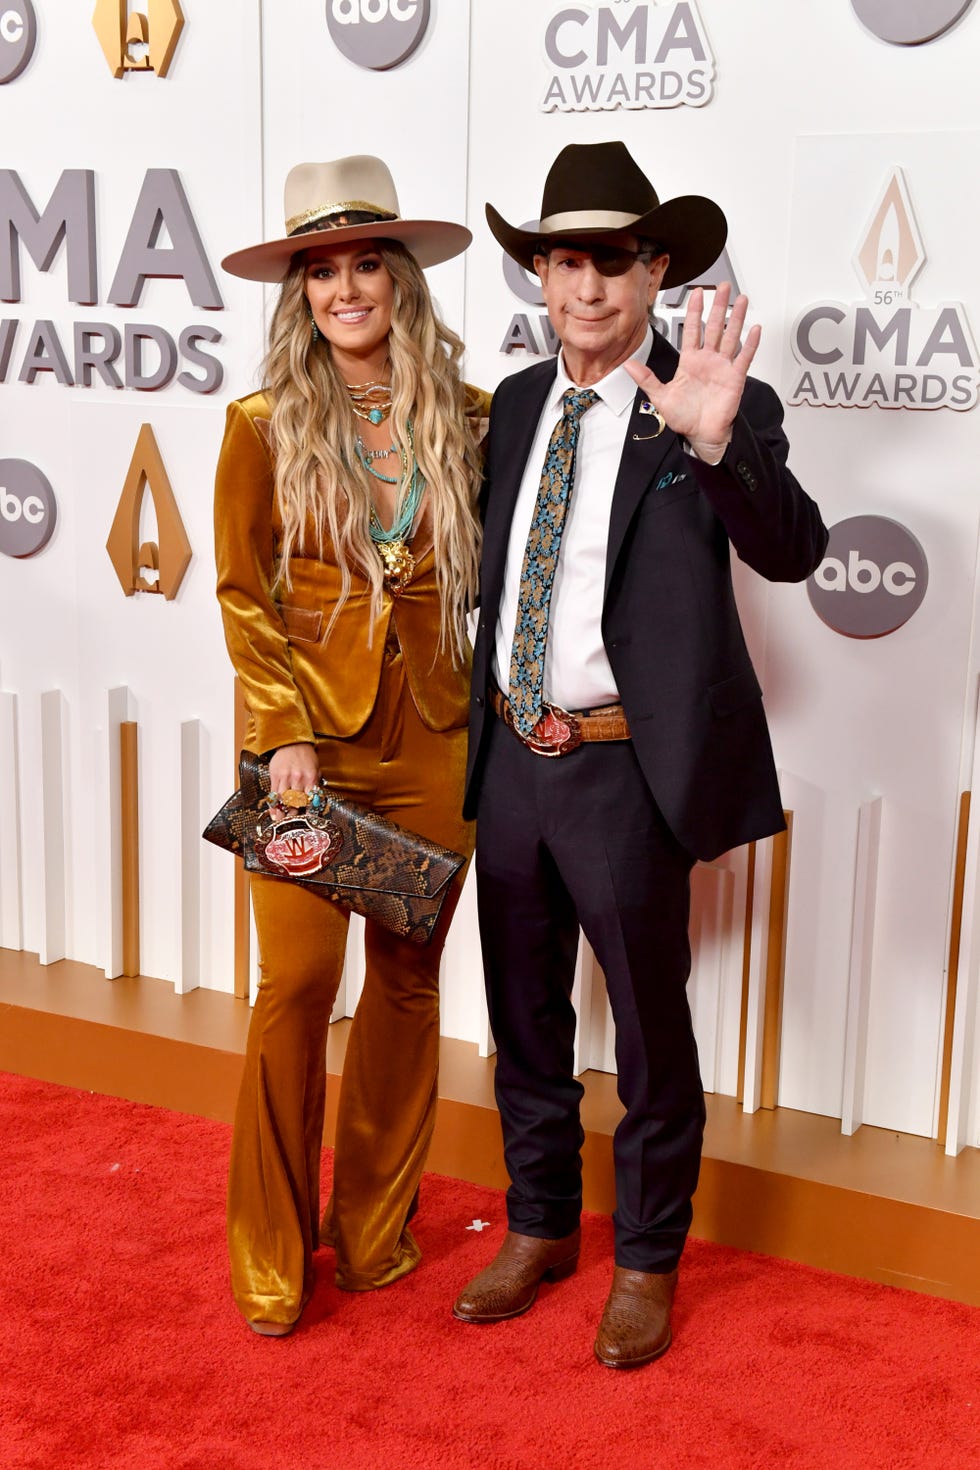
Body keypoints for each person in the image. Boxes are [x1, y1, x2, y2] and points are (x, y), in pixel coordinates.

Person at [452, 141, 828, 1367]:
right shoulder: (512, 405)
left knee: (651, 1037)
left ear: (655, 269)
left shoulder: (708, 402)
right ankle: (540, 1224)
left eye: (615, 262)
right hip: (511, 761)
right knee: (523, 1022)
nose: (589, 289)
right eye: (566, 261)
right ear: (541, 275)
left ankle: (648, 1260)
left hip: (623, 773)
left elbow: (792, 551)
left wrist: (715, 444)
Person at [214, 155, 486, 1336]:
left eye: (364, 261)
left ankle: (372, 1229)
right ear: (298, 293)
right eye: (319, 270)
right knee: (297, 986)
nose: (344, 288)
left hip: (435, 735)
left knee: (408, 983)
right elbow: (238, 591)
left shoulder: (470, 418)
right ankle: (269, 1248)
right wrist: (283, 736)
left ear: (400, 276)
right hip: (306, 750)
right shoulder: (259, 425)